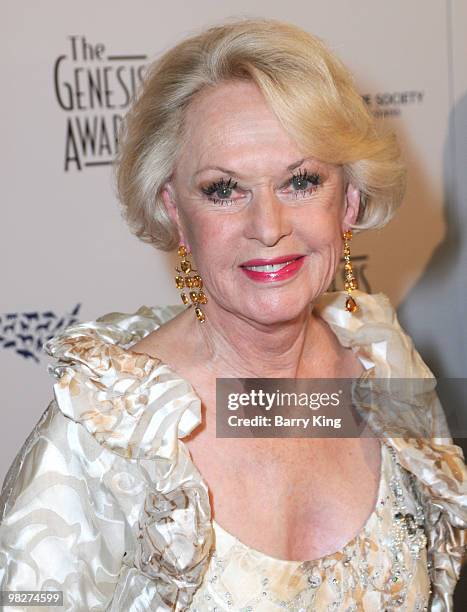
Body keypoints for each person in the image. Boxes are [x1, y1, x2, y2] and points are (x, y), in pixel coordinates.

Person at [1, 17, 466, 612]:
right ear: (173, 210)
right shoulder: (112, 429)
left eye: (301, 181)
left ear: (348, 200)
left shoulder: (383, 364)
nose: (268, 227)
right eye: (225, 189)